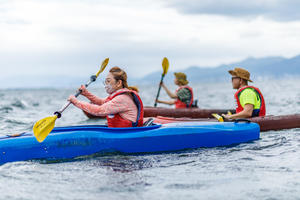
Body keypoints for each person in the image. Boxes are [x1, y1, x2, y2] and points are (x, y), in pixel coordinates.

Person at [68, 67, 144, 128]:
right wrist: (86, 93)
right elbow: (101, 102)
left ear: (118, 83)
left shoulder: (122, 98)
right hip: (119, 132)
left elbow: (99, 110)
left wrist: (76, 102)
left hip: (127, 134)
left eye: (108, 81)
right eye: (105, 81)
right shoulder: (118, 96)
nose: (105, 85)